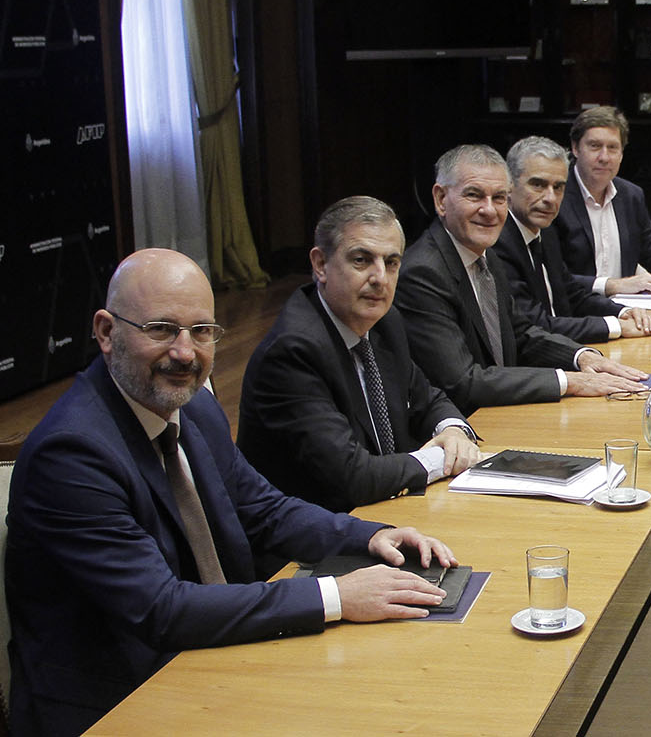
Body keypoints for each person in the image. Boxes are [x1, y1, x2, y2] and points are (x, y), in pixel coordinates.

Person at [5, 248, 457, 736]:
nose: (185, 353)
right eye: (161, 329)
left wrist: (368, 537)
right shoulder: (71, 453)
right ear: (106, 332)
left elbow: (264, 509)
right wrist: (337, 595)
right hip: (119, 700)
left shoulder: (193, 408)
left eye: (201, 331)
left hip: (212, 657)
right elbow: (161, 610)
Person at [238, 196, 482, 514]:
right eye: (361, 260)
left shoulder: (385, 323)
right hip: (319, 531)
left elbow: (428, 398)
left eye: (391, 263)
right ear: (320, 264)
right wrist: (443, 458)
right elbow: (353, 477)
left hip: (383, 509)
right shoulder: (292, 352)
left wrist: (453, 431)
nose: (380, 278)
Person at [395, 144, 650, 414]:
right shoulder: (423, 273)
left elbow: (520, 334)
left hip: (503, 412)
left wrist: (581, 357)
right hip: (464, 425)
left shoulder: (485, 255)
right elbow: (463, 381)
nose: (489, 210)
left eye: (499, 198)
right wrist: (569, 381)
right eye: (474, 195)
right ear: (441, 199)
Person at [495, 135, 651, 344]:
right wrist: (615, 326)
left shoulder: (545, 231)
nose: (550, 198)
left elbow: (572, 294)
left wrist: (624, 312)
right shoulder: (498, 243)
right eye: (538, 185)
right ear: (509, 186)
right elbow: (535, 325)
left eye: (558, 187)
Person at [555, 105, 651, 296]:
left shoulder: (630, 195)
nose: (604, 157)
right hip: (576, 308)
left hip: (627, 307)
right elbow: (552, 276)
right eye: (595, 146)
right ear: (575, 148)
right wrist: (612, 285)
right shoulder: (556, 196)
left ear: (621, 153)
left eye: (612, 148)